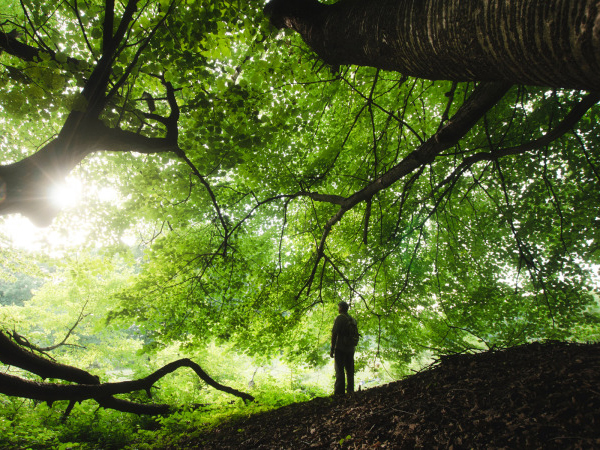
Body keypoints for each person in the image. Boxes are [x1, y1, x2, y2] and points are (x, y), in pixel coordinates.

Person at [330, 301, 357, 395]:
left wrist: (332, 349)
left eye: (339, 307)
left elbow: (334, 334)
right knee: (350, 370)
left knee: (339, 370)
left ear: (341, 307)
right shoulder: (353, 319)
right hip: (351, 348)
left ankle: (339, 393)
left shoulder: (340, 318)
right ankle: (350, 391)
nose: (338, 308)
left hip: (340, 348)